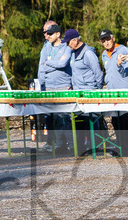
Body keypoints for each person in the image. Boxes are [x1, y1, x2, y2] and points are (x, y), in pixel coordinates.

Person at [99, 29, 128, 156]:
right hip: (112, 92)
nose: (106, 43)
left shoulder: (122, 50)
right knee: (115, 121)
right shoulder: (104, 55)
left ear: (113, 38)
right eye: (103, 41)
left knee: (126, 119)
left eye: (108, 39)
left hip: (123, 91)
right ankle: (120, 147)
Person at [64, 29, 104, 154]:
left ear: (75, 40)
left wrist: (97, 91)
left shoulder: (88, 54)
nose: (67, 45)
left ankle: (95, 148)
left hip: (90, 92)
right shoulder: (73, 54)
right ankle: (80, 149)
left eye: (68, 42)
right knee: (79, 122)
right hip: (77, 93)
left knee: (92, 122)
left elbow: (98, 73)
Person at [42, 24, 73, 154]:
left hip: (63, 86)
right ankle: (60, 145)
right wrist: (43, 85)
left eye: (50, 34)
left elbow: (62, 63)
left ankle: (72, 145)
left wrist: (48, 63)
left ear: (58, 34)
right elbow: (42, 67)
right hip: (49, 87)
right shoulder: (46, 48)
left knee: (67, 118)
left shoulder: (67, 47)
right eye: (47, 34)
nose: (47, 36)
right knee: (55, 118)